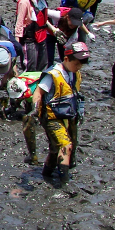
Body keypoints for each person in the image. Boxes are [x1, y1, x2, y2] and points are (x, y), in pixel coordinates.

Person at [33, 41, 90, 184]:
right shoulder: (53, 74)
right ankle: (64, 181)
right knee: (65, 145)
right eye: (77, 63)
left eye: (81, 64)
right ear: (66, 59)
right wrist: (34, 110)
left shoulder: (75, 74)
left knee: (56, 148)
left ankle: (47, 174)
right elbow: (38, 92)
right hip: (51, 117)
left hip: (68, 115)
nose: (79, 67)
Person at [16, 0, 59, 71]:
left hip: (41, 37)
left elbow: (42, 19)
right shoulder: (25, 1)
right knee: (30, 66)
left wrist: (53, 29)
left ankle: (39, 85)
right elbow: (19, 23)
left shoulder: (42, 2)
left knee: (43, 64)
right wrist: (17, 43)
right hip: (29, 39)